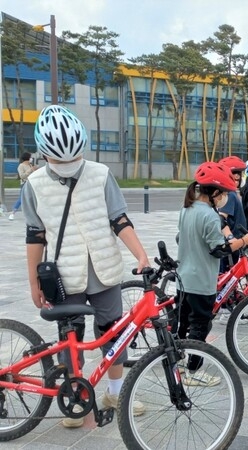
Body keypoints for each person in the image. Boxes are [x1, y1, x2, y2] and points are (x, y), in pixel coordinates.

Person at [22, 105, 149, 428]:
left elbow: (118, 219)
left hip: (104, 271)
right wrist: (33, 282)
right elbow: (35, 236)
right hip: (65, 277)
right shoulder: (34, 185)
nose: (68, 167)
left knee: (114, 334)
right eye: (58, 161)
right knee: (71, 339)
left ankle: (114, 393)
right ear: (44, 154)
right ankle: (76, 397)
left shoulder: (101, 174)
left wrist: (140, 254)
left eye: (72, 160)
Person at [175, 161, 248, 386]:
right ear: (216, 193)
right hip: (201, 281)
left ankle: (177, 365)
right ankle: (193, 371)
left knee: (181, 325)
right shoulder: (209, 216)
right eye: (224, 194)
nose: (224, 198)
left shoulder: (187, 208)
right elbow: (218, 249)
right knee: (200, 327)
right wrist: (244, 241)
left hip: (183, 279)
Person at [216, 155, 248, 324]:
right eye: (238, 174)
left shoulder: (233, 193)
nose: (241, 177)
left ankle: (232, 309)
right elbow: (222, 219)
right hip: (232, 245)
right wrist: (230, 238)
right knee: (228, 277)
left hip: (236, 243)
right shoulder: (229, 194)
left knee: (232, 277)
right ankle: (226, 311)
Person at [9, 152, 37, 220]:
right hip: (25, 184)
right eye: (30, 157)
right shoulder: (21, 166)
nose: (31, 159)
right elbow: (22, 176)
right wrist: (30, 170)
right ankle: (12, 213)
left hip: (32, 183)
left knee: (33, 198)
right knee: (21, 199)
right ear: (27, 158)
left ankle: (32, 214)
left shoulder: (30, 165)